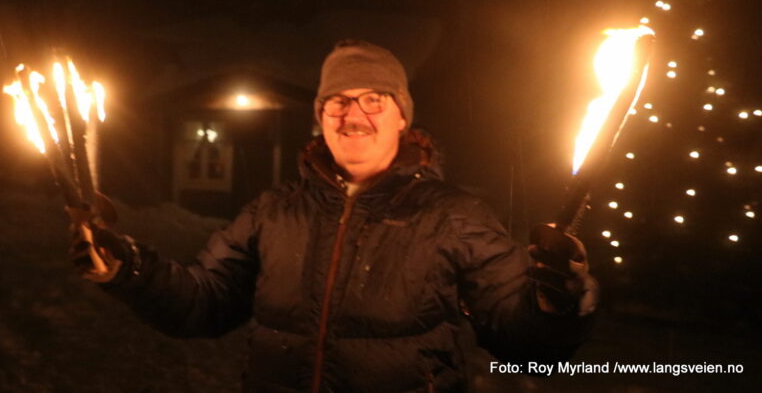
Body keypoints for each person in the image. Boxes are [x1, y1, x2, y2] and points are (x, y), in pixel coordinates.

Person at [72, 39, 598, 392]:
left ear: (401, 118)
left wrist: (555, 305)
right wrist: (130, 270)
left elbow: (528, 345)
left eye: (374, 99)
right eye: (337, 102)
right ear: (321, 118)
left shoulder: (454, 216)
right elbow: (204, 301)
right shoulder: (273, 212)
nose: (353, 115)